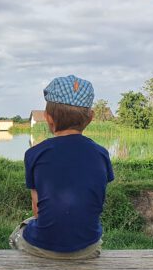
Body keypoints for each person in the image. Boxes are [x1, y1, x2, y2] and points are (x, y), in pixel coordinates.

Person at [9, 74, 114, 259]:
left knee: (20, 230)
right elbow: (94, 202)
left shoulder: (34, 154)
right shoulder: (101, 154)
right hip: (88, 247)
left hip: (44, 246)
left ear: (48, 118)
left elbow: (37, 209)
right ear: (90, 118)